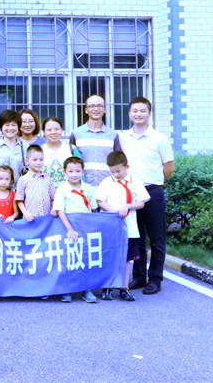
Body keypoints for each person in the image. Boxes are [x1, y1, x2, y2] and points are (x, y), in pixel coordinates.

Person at [120, 97, 175, 296]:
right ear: (129, 113)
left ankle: (155, 279)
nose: (138, 114)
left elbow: (169, 167)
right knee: (137, 237)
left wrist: (157, 183)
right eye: (135, 111)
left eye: (143, 110)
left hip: (152, 192)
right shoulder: (123, 137)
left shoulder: (159, 138)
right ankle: (139, 277)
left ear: (149, 113)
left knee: (157, 238)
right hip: (131, 194)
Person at [96, 151, 150, 302]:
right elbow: (100, 201)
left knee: (127, 259)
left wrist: (128, 206)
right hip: (111, 227)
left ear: (127, 167)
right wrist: (112, 211)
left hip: (129, 228)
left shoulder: (135, 182)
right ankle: (107, 287)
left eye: (118, 171)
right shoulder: (107, 182)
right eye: (112, 171)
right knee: (110, 256)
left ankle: (124, 287)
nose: (115, 174)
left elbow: (142, 202)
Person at [52, 157, 98, 303]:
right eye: (71, 171)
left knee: (85, 256)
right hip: (68, 226)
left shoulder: (88, 188)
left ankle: (87, 289)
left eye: (78, 171)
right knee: (70, 257)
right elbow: (60, 210)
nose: (74, 174)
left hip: (85, 226)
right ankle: (67, 289)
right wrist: (69, 228)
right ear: (65, 172)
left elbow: (93, 208)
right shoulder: (62, 188)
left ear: (83, 172)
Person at [69, 95, 122, 187]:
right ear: (86, 110)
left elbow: (119, 161)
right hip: (83, 186)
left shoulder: (113, 135)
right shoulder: (76, 134)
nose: (96, 109)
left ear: (104, 110)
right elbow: (71, 159)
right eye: (92, 106)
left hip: (108, 186)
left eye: (99, 106)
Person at [0, 110, 27, 193]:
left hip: (18, 192)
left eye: (14, 125)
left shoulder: (24, 147)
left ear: (18, 127)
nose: (10, 128)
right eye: (7, 125)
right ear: (1, 127)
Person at [15, 145, 56, 222]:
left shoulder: (48, 179)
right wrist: (25, 213)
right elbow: (19, 200)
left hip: (46, 220)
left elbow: (53, 199)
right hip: (30, 220)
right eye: (35, 160)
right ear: (27, 161)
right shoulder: (23, 180)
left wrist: (54, 208)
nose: (38, 162)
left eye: (41, 159)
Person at [41, 117, 80, 185]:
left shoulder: (71, 149)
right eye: (49, 130)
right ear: (44, 131)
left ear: (61, 130)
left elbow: (80, 172)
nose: (53, 132)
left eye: (56, 129)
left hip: (69, 190)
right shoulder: (39, 150)